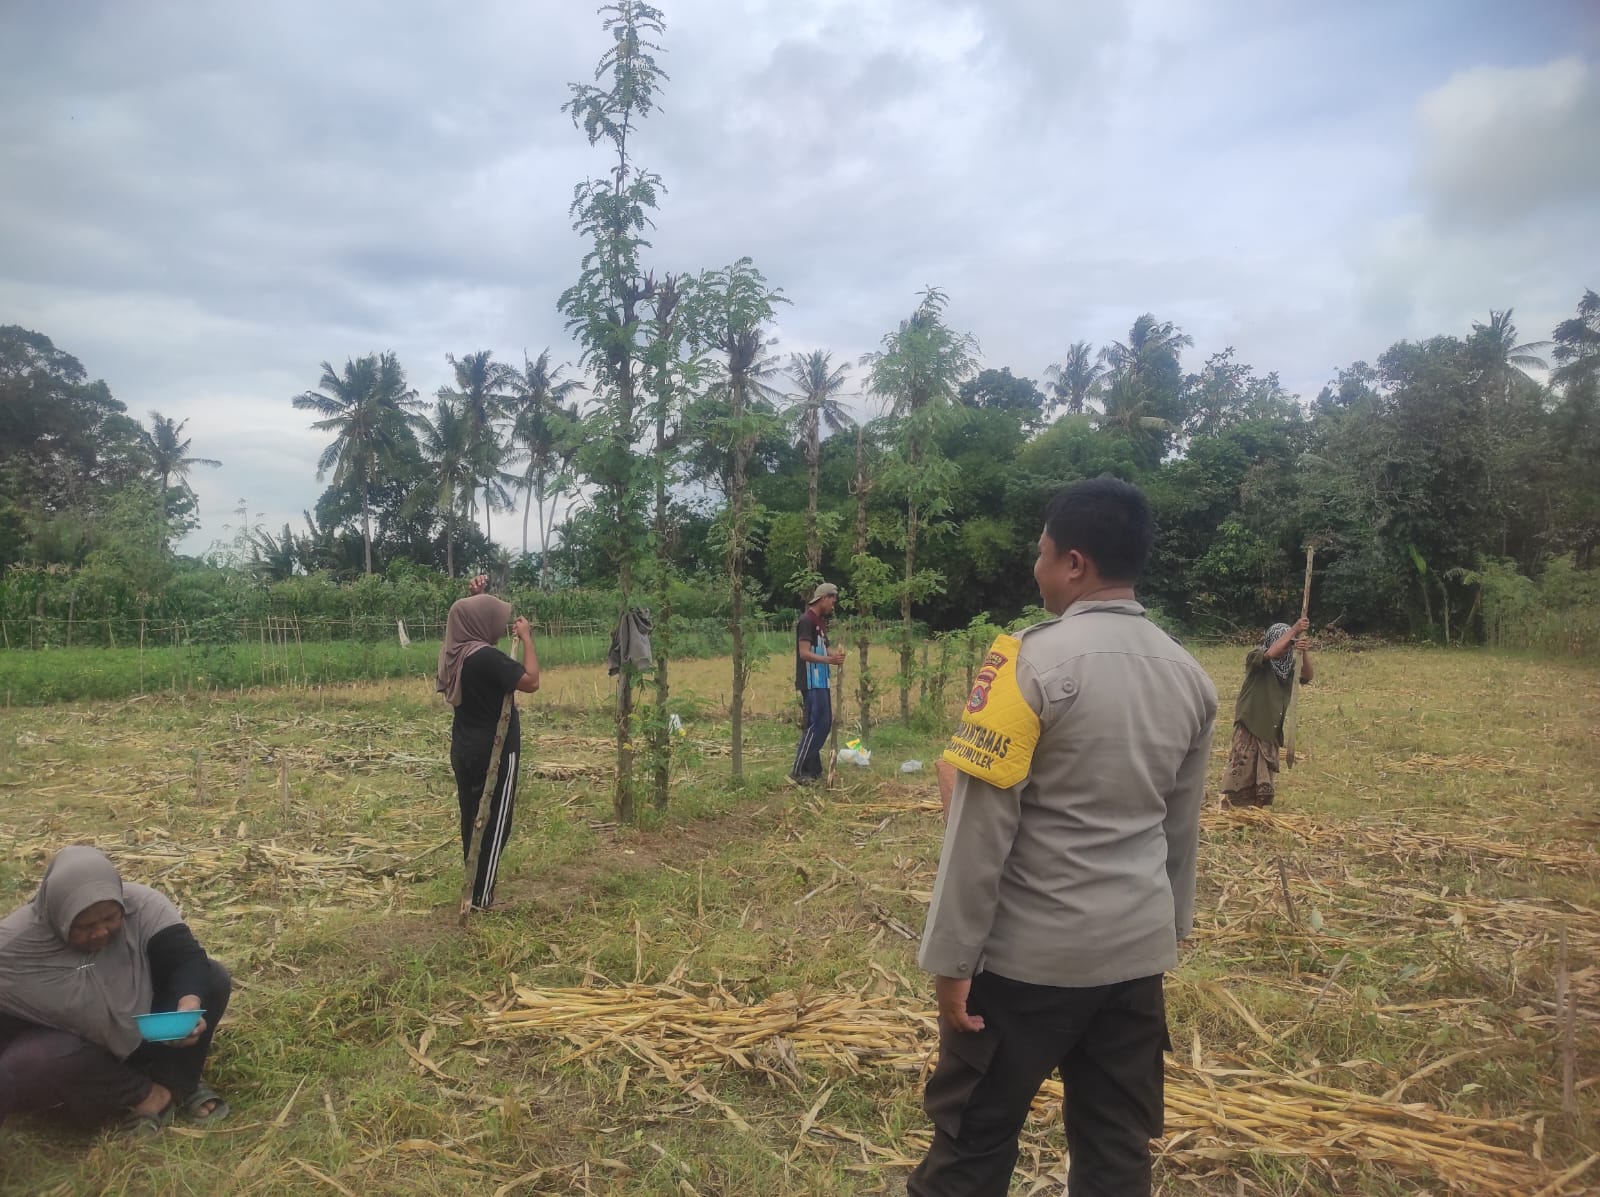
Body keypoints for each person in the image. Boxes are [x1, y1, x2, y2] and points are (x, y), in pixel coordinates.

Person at [910, 478, 1218, 1197]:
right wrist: (1165, 935)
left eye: (1042, 553)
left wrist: (951, 960)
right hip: (1135, 961)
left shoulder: (1026, 662)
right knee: (1116, 1150)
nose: (1037, 567)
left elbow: (980, 831)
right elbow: (1179, 827)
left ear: (1074, 563)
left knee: (971, 1142)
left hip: (1025, 966)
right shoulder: (1191, 676)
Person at [0, 846, 232, 1136]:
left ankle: (173, 1083)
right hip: (84, 1053)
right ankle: (145, 1095)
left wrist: (187, 1008)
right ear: (58, 916)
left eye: (110, 919)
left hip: (147, 1030)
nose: (100, 932)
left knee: (213, 978)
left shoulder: (142, 904)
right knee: (32, 1061)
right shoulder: (14, 944)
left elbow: (185, 958)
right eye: (84, 926)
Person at [437, 589, 540, 910]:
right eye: (495, 617)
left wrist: (477, 597)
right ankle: (482, 899)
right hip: (495, 752)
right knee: (496, 822)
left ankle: (473, 886)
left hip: (464, 748)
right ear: (481, 622)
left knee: (473, 818)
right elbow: (532, 681)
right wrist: (526, 638)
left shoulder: (455, 653)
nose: (503, 623)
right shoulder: (486, 658)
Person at [1219, 618, 1314, 808]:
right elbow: (1272, 652)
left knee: (1263, 774)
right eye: (1286, 644)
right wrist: (1295, 629)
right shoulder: (1257, 656)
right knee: (1242, 767)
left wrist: (1303, 653)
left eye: (1290, 645)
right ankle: (1233, 807)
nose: (1287, 649)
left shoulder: (1289, 668)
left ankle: (1256, 808)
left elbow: (1307, 676)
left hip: (1270, 726)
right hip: (1250, 722)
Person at [790, 582, 845, 786]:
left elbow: (825, 649)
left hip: (821, 679)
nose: (833, 604)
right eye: (832, 599)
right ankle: (799, 769)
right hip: (811, 680)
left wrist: (836, 656)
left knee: (823, 722)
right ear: (823, 598)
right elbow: (804, 653)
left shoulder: (820, 623)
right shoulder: (806, 621)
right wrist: (828, 661)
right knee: (817, 724)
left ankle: (813, 769)